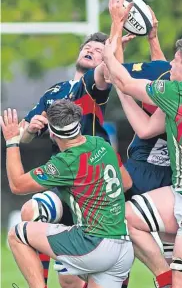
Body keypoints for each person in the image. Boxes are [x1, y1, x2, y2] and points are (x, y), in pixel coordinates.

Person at [103, 34, 182, 288]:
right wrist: (152, 39)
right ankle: (164, 278)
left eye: (176, 59)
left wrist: (109, 50)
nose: (170, 63)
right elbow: (147, 126)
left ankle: (169, 280)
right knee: (126, 215)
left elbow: (127, 82)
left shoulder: (180, 93)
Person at [1, 100, 134, 288]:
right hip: (123, 247)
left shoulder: (66, 162)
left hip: (94, 245)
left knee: (17, 233)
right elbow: (126, 182)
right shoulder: (101, 144)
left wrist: (12, 141)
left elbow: (17, 185)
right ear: (78, 126)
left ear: (53, 134)